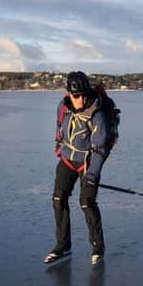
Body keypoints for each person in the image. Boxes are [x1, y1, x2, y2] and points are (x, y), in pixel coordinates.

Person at [45, 71, 110, 265]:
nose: (80, 100)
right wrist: (59, 147)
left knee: (86, 203)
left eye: (82, 95)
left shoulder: (96, 114)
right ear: (68, 94)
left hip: (88, 163)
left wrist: (92, 174)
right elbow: (60, 129)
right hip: (67, 159)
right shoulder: (62, 106)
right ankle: (63, 245)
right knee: (58, 199)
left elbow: (101, 148)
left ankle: (98, 247)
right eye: (75, 96)